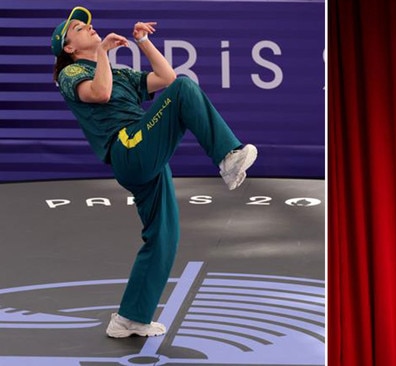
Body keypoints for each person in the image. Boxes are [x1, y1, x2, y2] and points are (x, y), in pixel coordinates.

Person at [51, 6, 257, 338]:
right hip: (128, 148)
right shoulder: (70, 74)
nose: (89, 28)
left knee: (164, 237)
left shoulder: (119, 74)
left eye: (89, 24)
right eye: (78, 27)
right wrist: (103, 52)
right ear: (69, 48)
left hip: (145, 151)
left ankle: (131, 317)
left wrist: (143, 42)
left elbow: (166, 79)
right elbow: (100, 93)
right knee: (187, 90)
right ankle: (228, 157)